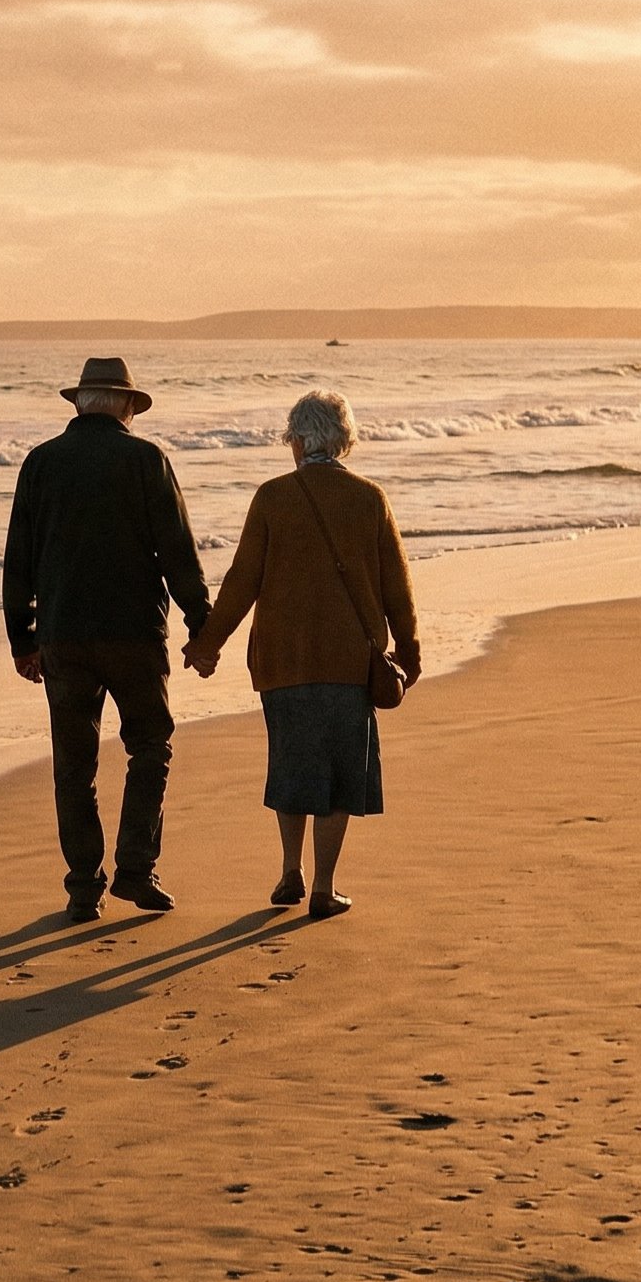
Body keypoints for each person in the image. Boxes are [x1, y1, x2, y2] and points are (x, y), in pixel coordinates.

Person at [182, 389, 418, 920]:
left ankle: (291, 870)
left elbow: (242, 581)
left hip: (282, 661)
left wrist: (207, 645)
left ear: (296, 438)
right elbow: (396, 588)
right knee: (338, 778)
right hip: (348, 663)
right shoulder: (369, 499)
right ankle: (324, 888)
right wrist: (410, 652)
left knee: (291, 767)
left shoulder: (272, 497)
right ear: (343, 440)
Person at [3, 357, 211, 923]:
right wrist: (203, 627)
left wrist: (21, 638)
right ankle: (136, 869)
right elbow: (177, 553)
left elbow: (18, 559)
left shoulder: (40, 463)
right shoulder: (147, 460)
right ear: (125, 405)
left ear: (79, 403)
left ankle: (82, 886)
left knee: (74, 765)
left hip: (63, 636)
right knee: (149, 746)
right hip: (134, 635)